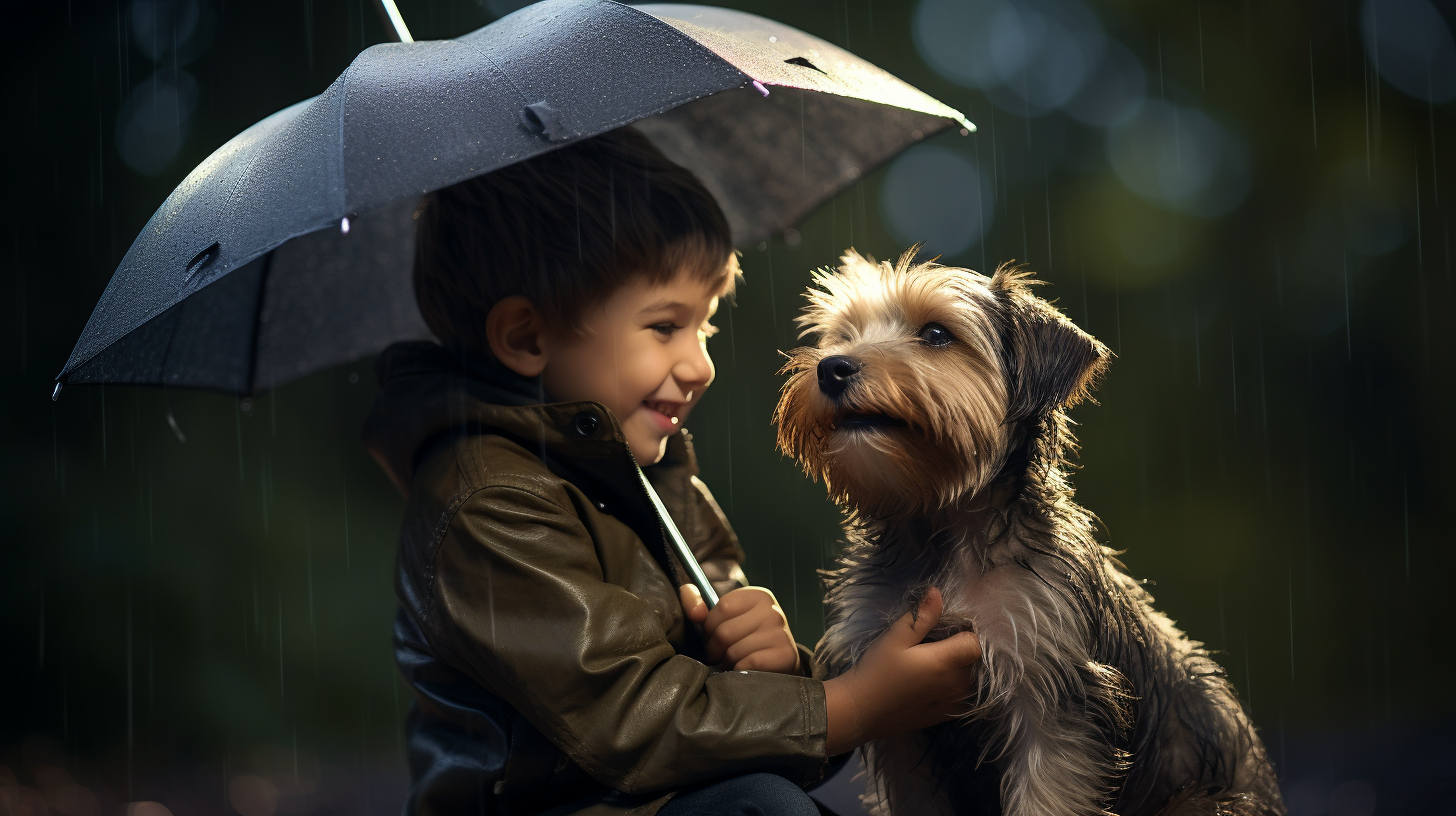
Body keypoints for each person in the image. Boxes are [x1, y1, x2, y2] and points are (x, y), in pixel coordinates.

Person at [362, 126, 982, 816]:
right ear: (527, 337)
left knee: (765, 798)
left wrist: (772, 666)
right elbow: (628, 720)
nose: (700, 365)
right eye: (665, 327)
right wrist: (850, 704)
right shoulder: (487, 502)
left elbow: (743, 731)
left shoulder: (657, 482)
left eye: (706, 328)